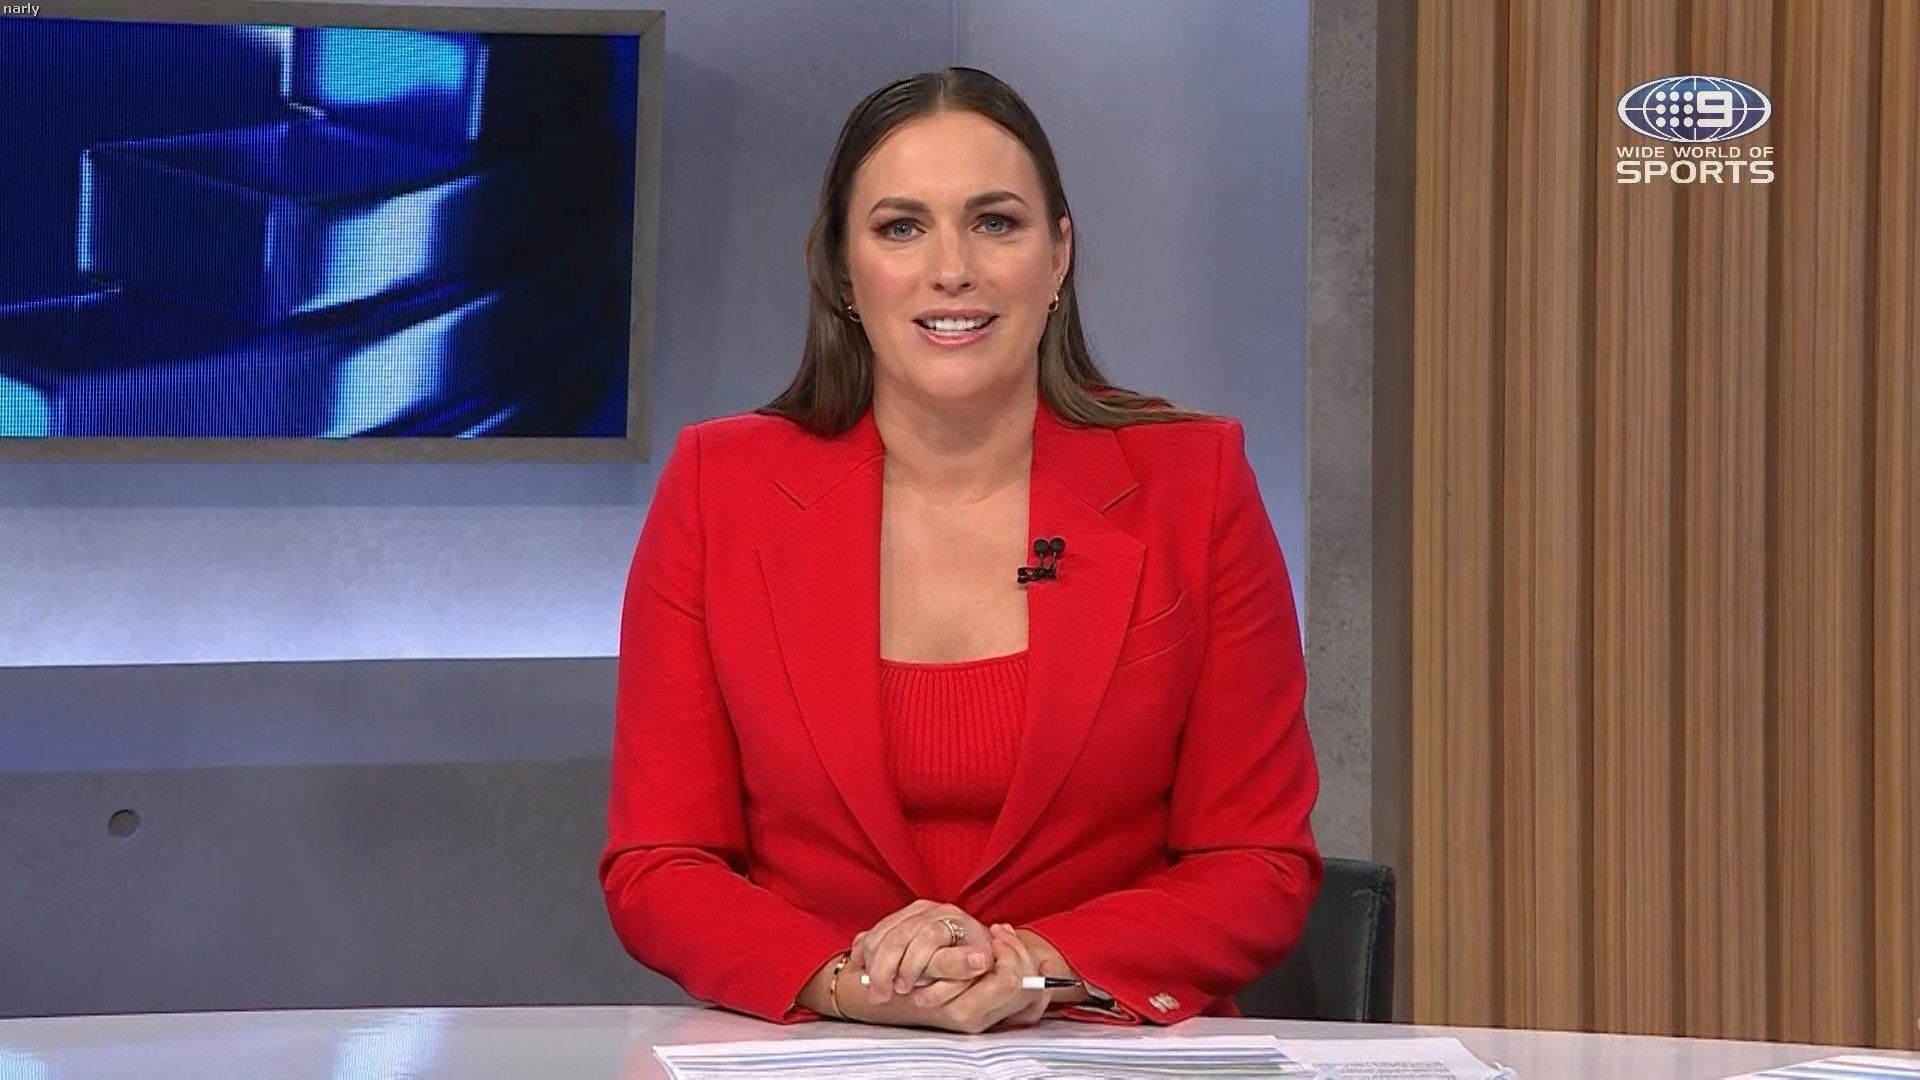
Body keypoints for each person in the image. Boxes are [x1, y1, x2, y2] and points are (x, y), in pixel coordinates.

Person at [598, 66, 1321, 1034]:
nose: (952, 270)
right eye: (902, 227)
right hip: (825, 1052)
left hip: (1097, 1047)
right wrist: (851, 981)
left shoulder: (1196, 484)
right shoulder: (716, 489)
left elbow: (1257, 863)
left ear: (1058, 256)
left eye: (995, 222)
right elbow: (661, 864)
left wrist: (1038, 966)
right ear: (842, 271)